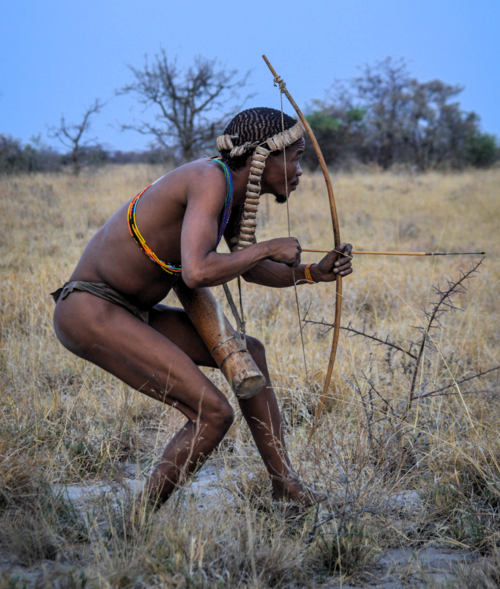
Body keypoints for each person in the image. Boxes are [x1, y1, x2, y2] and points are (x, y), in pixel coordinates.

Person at [52, 107, 353, 508]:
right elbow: (197, 271)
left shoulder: (228, 188)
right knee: (213, 413)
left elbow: (248, 269)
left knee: (253, 353)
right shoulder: (210, 179)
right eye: (296, 158)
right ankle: (133, 528)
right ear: (263, 156)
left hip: (130, 311)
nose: (300, 171)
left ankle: (287, 488)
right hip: (91, 309)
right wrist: (269, 247)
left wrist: (313, 272)